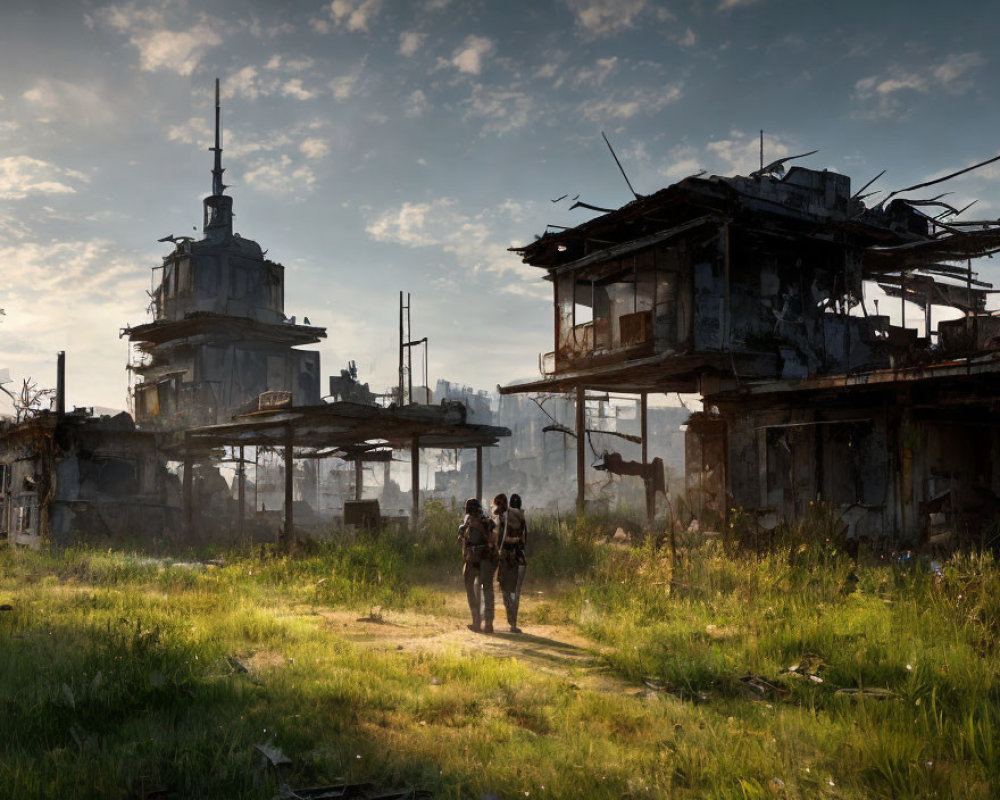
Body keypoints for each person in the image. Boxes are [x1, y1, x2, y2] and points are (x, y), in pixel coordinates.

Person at [457, 497, 497, 633]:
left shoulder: (467, 523)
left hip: (472, 559)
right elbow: (493, 538)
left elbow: (462, 540)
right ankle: (489, 624)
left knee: (470, 588)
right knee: (488, 590)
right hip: (486, 558)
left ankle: (476, 622)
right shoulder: (487, 521)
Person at [494, 492, 528, 633]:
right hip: (519, 559)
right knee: (514, 592)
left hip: (507, 559)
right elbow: (524, 541)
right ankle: (513, 623)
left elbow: (498, 542)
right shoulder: (520, 519)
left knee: (507, 591)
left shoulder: (501, 519)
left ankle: (512, 621)